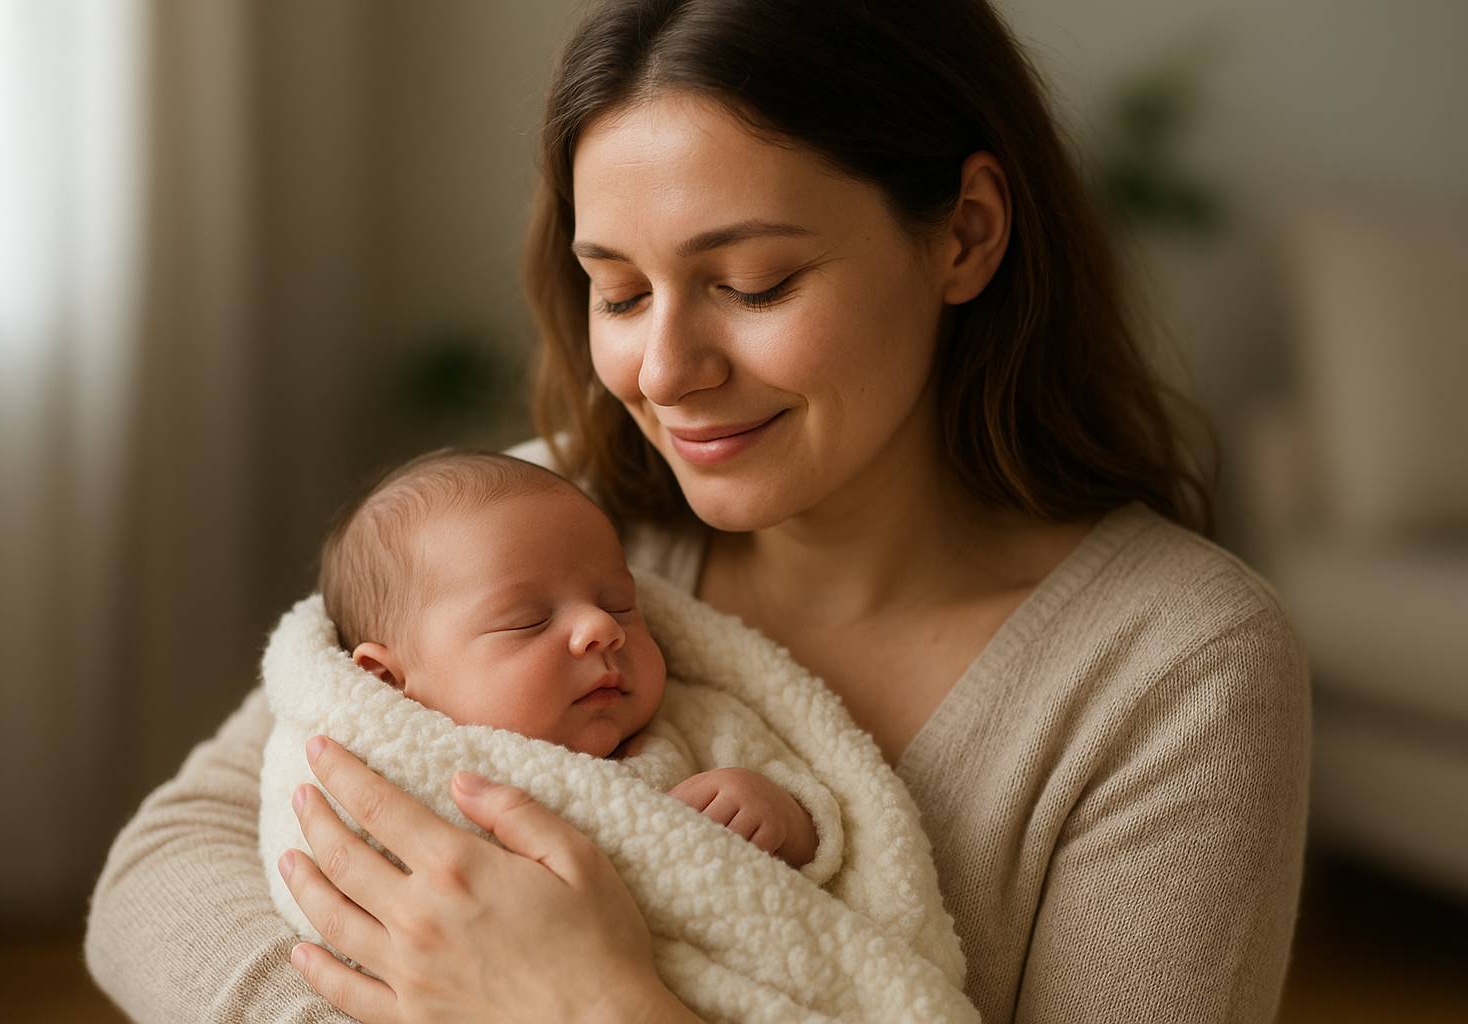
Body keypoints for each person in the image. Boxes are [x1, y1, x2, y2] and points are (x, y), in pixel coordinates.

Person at [85, 1, 1311, 1022]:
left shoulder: (1171, 672)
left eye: (752, 282)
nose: (665, 372)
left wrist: (598, 1008)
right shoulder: (552, 516)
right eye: (617, 292)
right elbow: (159, 867)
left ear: (968, 235)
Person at [301, 447, 818, 867]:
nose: (603, 628)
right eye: (529, 620)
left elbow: (849, 857)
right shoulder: (398, 787)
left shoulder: (698, 725)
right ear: (389, 682)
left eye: (620, 604)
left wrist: (781, 817)